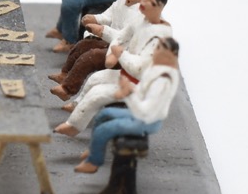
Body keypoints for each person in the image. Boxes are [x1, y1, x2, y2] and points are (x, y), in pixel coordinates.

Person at [55, 0, 173, 137]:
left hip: (140, 83)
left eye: (150, 1)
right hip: (126, 73)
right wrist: (112, 55)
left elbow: (141, 66)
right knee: (95, 79)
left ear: (158, 7)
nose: (144, 2)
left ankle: (88, 128)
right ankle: (74, 120)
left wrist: (121, 55)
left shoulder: (160, 36)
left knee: (98, 94)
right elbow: (121, 38)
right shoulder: (140, 18)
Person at [75, 38, 181, 173]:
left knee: (104, 129)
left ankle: (94, 162)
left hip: (147, 120)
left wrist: (128, 93)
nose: (155, 51)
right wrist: (128, 90)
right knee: (103, 115)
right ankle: (94, 149)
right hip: (138, 113)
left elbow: (144, 111)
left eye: (160, 48)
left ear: (170, 55)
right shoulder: (155, 69)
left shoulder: (163, 80)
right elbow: (141, 92)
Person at [49, 0, 151, 100]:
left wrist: (102, 31)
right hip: (109, 42)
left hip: (121, 53)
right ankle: (64, 74)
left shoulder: (138, 14)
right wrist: (94, 19)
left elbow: (123, 38)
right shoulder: (122, 1)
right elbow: (107, 16)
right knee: (82, 45)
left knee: (92, 56)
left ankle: (67, 90)